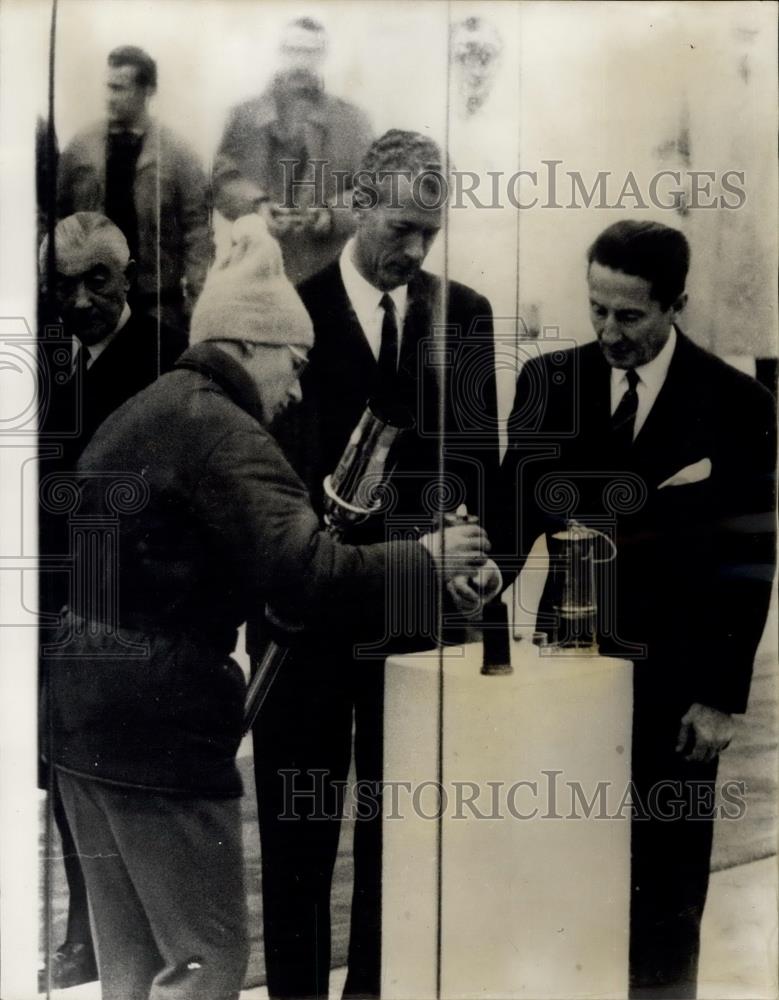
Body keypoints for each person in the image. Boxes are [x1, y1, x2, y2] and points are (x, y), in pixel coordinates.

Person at [42, 218, 490, 1000]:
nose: (297, 385)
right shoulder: (226, 433)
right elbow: (308, 573)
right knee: (203, 962)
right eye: (297, 360)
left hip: (81, 716)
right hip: (161, 730)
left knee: (132, 963)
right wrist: (425, 562)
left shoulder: (152, 408)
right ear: (251, 345)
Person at [497, 220, 776, 998]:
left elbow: (750, 563)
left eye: (629, 316)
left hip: (680, 688)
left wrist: (721, 696)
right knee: (562, 875)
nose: (608, 331)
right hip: (569, 672)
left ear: (674, 305)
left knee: (668, 891)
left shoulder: (738, 403)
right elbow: (509, 527)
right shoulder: (548, 384)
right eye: (596, 309)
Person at [253, 129, 501, 999]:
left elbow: (477, 466)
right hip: (306, 621)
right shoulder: (284, 309)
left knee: (402, 835)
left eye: (429, 234)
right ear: (359, 202)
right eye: (399, 226)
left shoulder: (463, 312)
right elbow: (267, 483)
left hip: (417, 618)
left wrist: (482, 564)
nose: (413, 250)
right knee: (295, 839)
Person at [37, 211, 184, 991]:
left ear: (127, 275)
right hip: (60, 593)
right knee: (66, 775)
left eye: (99, 278)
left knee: (128, 779)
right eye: (66, 282)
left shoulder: (164, 352)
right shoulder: (42, 355)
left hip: (134, 604)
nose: (84, 297)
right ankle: (85, 927)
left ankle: (143, 933)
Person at [57, 45, 210, 339]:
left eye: (120, 88)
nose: (109, 97)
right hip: (91, 303)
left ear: (147, 90)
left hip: (157, 304)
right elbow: (54, 216)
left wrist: (196, 297)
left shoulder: (178, 154)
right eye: (108, 87)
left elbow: (197, 230)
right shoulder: (80, 149)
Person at [213, 16, 372, 285]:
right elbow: (222, 178)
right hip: (256, 267)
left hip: (326, 268)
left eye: (310, 51)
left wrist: (332, 214)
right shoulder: (244, 118)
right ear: (281, 52)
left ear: (322, 56)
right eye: (293, 50)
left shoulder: (352, 122)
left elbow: (371, 188)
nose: (301, 61)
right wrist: (256, 206)